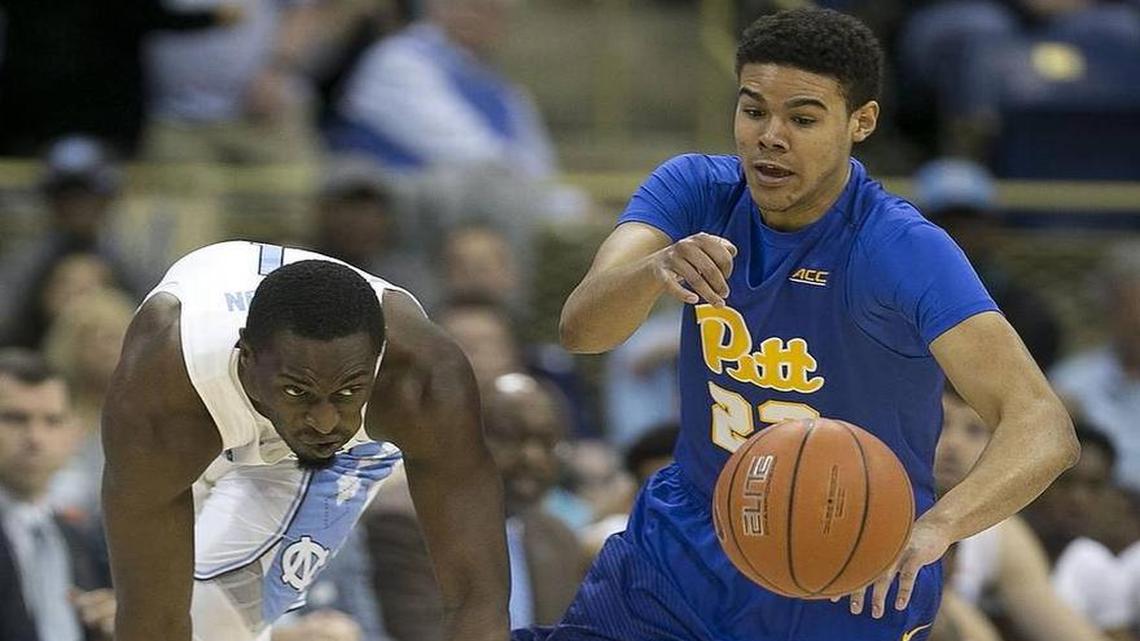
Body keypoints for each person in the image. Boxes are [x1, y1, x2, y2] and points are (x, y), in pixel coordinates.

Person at [546, 8, 1077, 641]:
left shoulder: (899, 249)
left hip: (841, 557)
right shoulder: (694, 190)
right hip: (684, 540)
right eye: (753, 110)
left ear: (862, 121)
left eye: (802, 118)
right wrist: (651, 271)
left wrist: (939, 525)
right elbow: (583, 333)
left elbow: (1043, 426)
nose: (770, 136)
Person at [101, 240, 510, 641]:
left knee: (213, 615)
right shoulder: (159, 397)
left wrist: (308, 397)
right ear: (247, 359)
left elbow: (477, 596)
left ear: (378, 362)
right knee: (170, 606)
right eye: (299, 392)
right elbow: (150, 619)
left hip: (340, 457)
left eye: (349, 392)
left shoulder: (420, 383)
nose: (325, 421)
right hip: (196, 421)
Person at [366, 372, 585, 640]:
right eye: (508, 436)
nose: (532, 457)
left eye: (546, 441)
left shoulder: (558, 537)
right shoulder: (407, 524)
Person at [935, 386, 1114, 641]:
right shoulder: (879, 500)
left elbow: (1057, 623)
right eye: (942, 423)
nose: (953, 443)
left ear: (996, 445)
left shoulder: (999, 529)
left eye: (974, 430)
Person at [0, 349, 115, 641]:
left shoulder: (85, 540)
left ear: (74, 432)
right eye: (15, 419)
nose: (35, 438)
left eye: (52, 421)